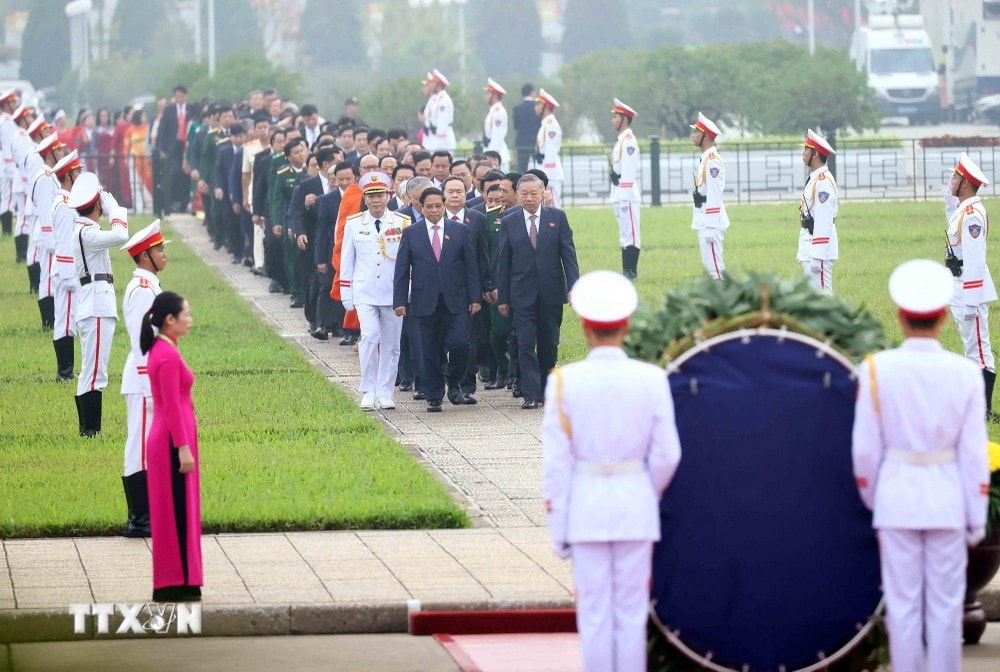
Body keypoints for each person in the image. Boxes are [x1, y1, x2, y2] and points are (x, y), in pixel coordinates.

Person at [852, 258, 989, 672]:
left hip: (896, 499)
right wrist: (976, 514)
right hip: (947, 500)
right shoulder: (966, 373)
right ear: (944, 316)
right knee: (947, 608)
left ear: (899, 315)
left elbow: (864, 453)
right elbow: (972, 453)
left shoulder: (876, 370)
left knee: (902, 604)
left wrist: (875, 499)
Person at [543, 270, 682, 672]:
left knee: (595, 614)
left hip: (586, 506)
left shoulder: (564, 382)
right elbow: (667, 455)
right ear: (627, 326)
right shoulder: (652, 379)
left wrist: (559, 527)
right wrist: (642, 488)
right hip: (634, 504)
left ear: (585, 329)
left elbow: (556, 465)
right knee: (631, 613)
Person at [393, 187, 481, 412]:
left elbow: (471, 267)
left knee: (460, 343)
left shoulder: (460, 231)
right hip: (424, 299)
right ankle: (434, 394)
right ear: (421, 208)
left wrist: (475, 297)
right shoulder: (412, 233)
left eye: (438, 206)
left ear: (443, 206)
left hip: (457, 299)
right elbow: (402, 269)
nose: (434, 210)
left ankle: (454, 381)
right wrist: (400, 301)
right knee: (428, 348)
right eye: (429, 206)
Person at [497, 174, 580, 410]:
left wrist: (574, 286)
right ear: (518, 194)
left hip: (551, 292)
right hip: (521, 293)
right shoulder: (509, 220)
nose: (529, 198)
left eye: (534, 193)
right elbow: (504, 261)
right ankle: (530, 393)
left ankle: (547, 388)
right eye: (524, 194)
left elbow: (569, 256)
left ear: (543, 194)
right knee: (524, 343)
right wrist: (503, 297)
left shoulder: (557, 218)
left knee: (549, 343)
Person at [141, 291, 202, 603]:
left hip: (174, 439)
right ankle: (174, 581)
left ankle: (185, 578)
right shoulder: (165, 355)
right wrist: (182, 447)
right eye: (186, 315)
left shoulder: (168, 349)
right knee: (175, 511)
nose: (189, 320)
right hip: (169, 442)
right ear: (169, 320)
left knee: (181, 510)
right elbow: (171, 406)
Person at [340, 172, 411, 410]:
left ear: (389, 196)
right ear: (364, 197)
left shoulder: (402, 222)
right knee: (369, 337)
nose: (376, 200)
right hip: (365, 291)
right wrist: (346, 292)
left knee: (391, 345)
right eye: (371, 196)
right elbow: (347, 260)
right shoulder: (354, 223)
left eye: (380, 194)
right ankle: (368, 389)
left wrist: (408, 291)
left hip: (393, 292)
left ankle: (385, 391)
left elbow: (409, 261)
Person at [119, 220, 170, 538]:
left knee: (147, 445)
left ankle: (147, 514)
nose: (164, 254)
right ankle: (138, 519)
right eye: (160, 249)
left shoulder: (150, 285)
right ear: (144, 255)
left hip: (149, 377)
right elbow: (141, 343)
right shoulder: (141, 290)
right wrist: (150, 386)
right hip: (142, 379)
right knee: (138, 447)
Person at [69, 172, 129, 437]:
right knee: (94, 372)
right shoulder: (87, 234)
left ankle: (88, 429)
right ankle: (90, 431)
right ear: (96, 205)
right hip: (95, 305)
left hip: (94, 302)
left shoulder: (85, 230)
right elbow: (121, 235)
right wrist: (115, 209)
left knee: (91, 370)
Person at [943, 152, 998, 419]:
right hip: (959, 284)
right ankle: (977, 406)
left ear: (965, 183)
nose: (950, 180)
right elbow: (949, 218)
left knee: (979, 348)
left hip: (969, 287)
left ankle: (985, 410)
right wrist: (949, 193)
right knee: (970, 346)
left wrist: (972, 301)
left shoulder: (973, 214)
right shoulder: (962, 210)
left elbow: (975, 261)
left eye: (954, 177)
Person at [51, 150, 84, 382]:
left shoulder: (67, 202)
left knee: (67, 318)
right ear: (68, 176)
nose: (81, 174)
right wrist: (69, 277)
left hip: (68, 270)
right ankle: (65, 371)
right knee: (65, 320)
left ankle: (66, 370)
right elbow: (63, 243)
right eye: (78, 171)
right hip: (66, 271)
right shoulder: (63, 205)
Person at [689, 112, 730, 280]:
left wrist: (711, 226)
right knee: (709, 267)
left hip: (710, 219)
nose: (693, 136)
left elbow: (714, 194)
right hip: (703, 216)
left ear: (706, 137)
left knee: (715, 269)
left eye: (697, 132)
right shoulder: (706, 158)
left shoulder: (712, 160)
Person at [798, 128, 838, 293]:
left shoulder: (823, 182)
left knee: (823, 297)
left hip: (818, 250)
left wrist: (817, 255)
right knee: (815, 298)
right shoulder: (815, 178)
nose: (803, 152)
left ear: (815, 155)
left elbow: (824, 219)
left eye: (806, 149)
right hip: (809, 244)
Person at [610, 99, 641, 279]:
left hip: (626, 194)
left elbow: (628, 172)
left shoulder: (628, 140)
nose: (613, 120)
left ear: (624, 119)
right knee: (624, 233)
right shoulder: (621, 140)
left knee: (631, 234)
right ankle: (626, 271)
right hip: (619, 192)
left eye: (616, 117)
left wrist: (624, 193)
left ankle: (631, 271)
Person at [155, 85, 190, 214]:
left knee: (186, 176)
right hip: (172, 147)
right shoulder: (169, 110)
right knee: (174, 173)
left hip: (186, 146)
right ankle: (171, 201)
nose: (179, 99)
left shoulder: (190, 109)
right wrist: (161, 148)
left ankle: (184, 203)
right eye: (177, 96)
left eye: (181, 96)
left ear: (186, 96)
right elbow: (163, 129)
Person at [529, 89, 563, 208]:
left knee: (552, 208)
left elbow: (551, 152)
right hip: (545, 169)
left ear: (546, 107)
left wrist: (546, 177)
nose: (536, 107)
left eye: (539, 104)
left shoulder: (550, 125)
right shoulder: (546, 124)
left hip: (550, 173)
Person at [423, 69, 456, 153]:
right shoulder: (435, 99)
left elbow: (442, 121)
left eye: (433, 83)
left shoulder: (443, 100)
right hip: (434, 138)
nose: (430, 85)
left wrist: (439, 137)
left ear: (438, 84)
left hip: (442, 139)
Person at [483, 78, 511, 171]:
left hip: (497, 155)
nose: (485, 96)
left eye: (487, 94)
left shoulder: (498, 111)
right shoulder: (494, 110)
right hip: (491, 149)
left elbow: (497, 135)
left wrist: (493, 156)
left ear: (494, 95)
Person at [513, 83, 541, 172]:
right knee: (539, 167)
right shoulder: (538, 106)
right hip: (536, 142)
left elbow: (516, 125)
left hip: (521, 142)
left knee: (522, 169)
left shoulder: (517, 108)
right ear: (532, 92)